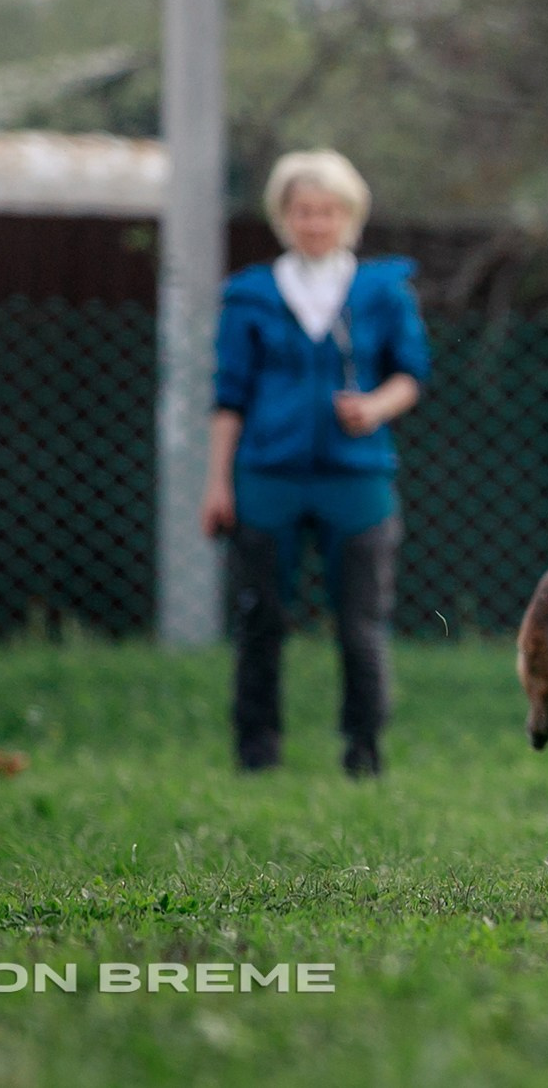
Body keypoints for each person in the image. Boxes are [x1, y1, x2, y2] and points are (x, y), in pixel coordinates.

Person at [200, 150, 430, 778]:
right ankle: (257, 749)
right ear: (284, 216)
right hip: (267, 475)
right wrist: (218, 482)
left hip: (355, 477)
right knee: (260, 619)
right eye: (303, 211)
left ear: (349, 216)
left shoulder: (381, 292)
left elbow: (411, 376)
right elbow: (229, 397)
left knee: (360, 623)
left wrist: (375, 407)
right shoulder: (251, 294)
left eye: (328, 211)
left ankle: (364, 750)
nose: (316, 223)